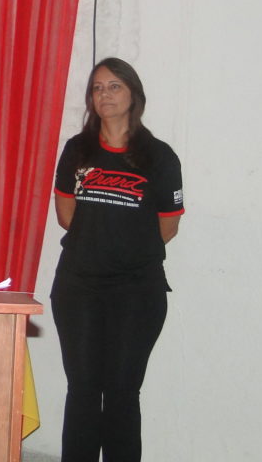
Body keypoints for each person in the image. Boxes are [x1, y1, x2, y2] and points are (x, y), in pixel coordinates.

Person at [50, 57, 185, 462]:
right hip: (78, 287)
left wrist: (124, 249)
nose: (104, 95)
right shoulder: (77, 150)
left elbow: (167, 227)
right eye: (97, 88)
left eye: (114, 87)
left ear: (133, 95)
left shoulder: (159, 157)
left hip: (136, 292)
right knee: (83, 389)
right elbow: (66, 216)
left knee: (123, 392)